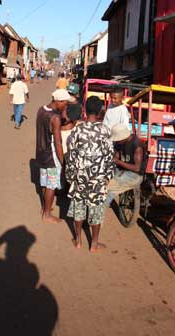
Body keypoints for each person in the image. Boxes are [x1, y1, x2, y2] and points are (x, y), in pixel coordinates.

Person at [66, 96, 114, 252]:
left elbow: (71, 155)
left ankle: (78, 240)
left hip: (80, 177)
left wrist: (70, 176)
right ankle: (94, 244)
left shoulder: (78, 130)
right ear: (100, 111)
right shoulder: (106, 131)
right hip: (98, 179)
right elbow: (109, 157)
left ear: (85, 110)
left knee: (79, 209)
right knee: (96, 211)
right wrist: (108, 177)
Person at [36, 88, 72, 223]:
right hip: (51, 156)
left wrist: (62, 111)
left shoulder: (41, 109)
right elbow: (58, 142)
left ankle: (45, 207)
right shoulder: (55, 118)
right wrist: (62, 160)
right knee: (51, 185)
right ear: (58, 101)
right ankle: (46, 214)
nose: (66, 105)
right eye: (65, 103)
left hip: (41, 152)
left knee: (44, 182)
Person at [106, 124, 145, 206]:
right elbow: (116, 153)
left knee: (107, 188)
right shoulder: (120, 142)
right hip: (122, 170)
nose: (117, 141)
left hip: (134, 175)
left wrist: (118, 161)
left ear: (122, 137)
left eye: (118, 139)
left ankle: (99, 211)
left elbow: (137, 168)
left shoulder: (137, 145)